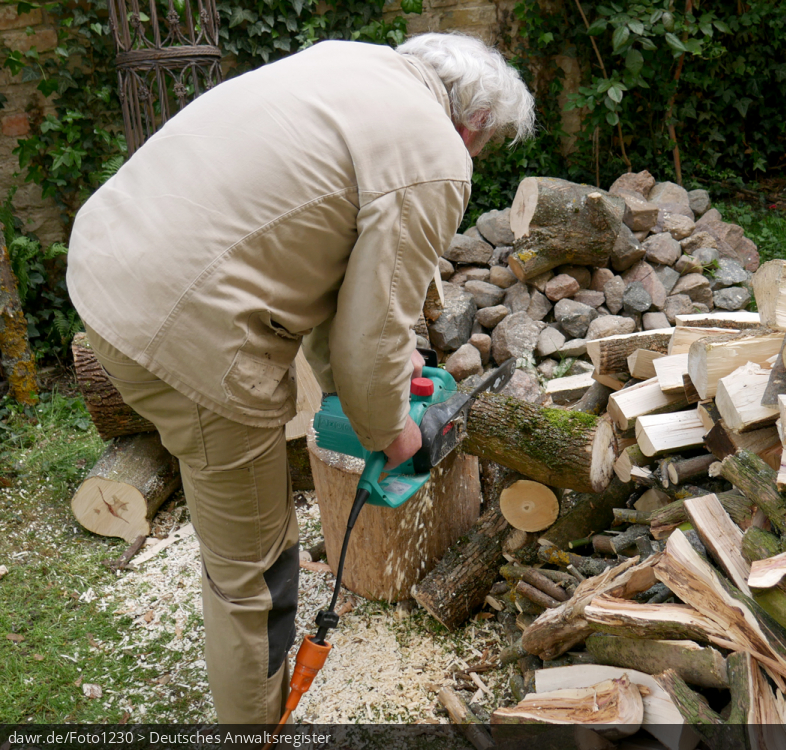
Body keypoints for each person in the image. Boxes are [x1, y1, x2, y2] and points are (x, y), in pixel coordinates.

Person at [66, 32, 534, 724]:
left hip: (107, 267)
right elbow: (370, 331)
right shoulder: (433, 155)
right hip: (186, 328)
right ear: (474, 126)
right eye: (483, 149)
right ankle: (253, 730)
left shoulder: (346, 63)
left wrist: (370, 380)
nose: (473, 159)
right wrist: (393, 431)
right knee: (251, 571)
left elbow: (322, 262)